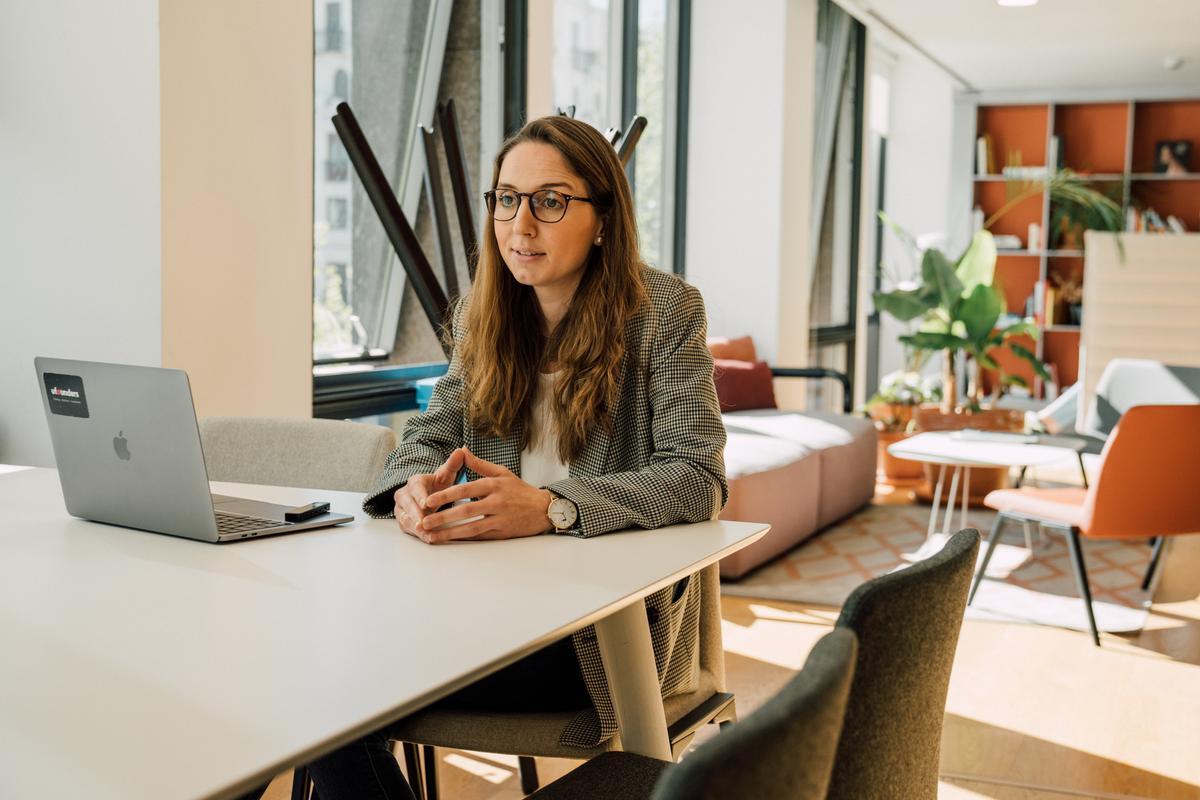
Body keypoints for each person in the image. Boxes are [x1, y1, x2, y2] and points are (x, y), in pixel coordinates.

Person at [296, 115, 728, 800]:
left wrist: (553, 509)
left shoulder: (665, 312)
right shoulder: (482, 313)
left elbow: (697, 476)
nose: (520, 225)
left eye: (550, 201)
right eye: (506, 199)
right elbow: (426, 436)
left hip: (599, 638)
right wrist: (410, 486)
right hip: (481, 608)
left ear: (604, 220)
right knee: (311, 666)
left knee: (323, 684)